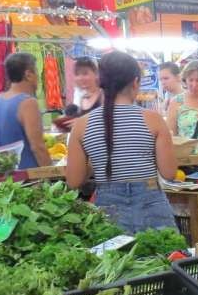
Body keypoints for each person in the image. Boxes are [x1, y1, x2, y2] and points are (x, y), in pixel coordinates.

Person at [66, 52, 178, 235]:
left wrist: (98, 160)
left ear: (100, 82)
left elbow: (73, 181)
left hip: (107, 207)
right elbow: (169, 173)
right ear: (135, 82)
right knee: (165, 251)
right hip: (151, 204)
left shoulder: (81, 125)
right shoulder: (154, 120)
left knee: (116, 254)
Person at [0, 52, 52, 171]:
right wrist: (52, 174)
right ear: (28, 75)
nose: (38, 78)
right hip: (27, 175)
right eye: (36, 72)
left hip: (5, 174)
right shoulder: (28, 103)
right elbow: (38, 147)